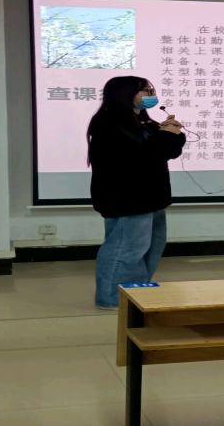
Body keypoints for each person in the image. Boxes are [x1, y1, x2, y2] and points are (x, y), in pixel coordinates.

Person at [88, 76, 185, 310]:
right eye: (145, 91)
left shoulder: (143, 121)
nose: (150, 95)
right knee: (125, 248)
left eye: (150, 90)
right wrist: (166, 134)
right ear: (125, 94)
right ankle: (111, 298)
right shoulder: (108, 122)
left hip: (151, 197)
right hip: (127, 198)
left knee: (151, 247)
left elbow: (167, 151)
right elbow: (139, 156)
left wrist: (173, 132)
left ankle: (136, 291)